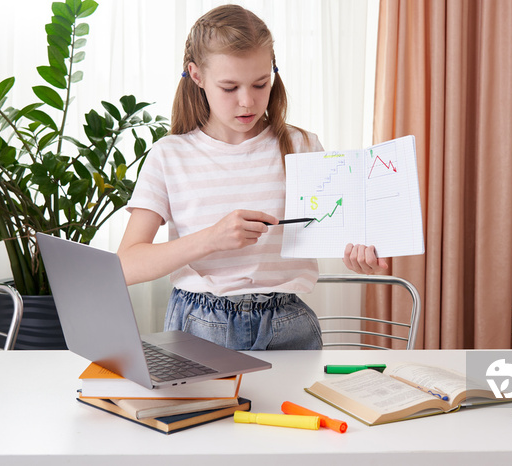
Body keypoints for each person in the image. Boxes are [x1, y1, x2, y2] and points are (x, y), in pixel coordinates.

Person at [117, 4, 386, 351]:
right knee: (204, 409)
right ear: (196, 76)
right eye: (229, 87)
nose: (247, 102)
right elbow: (125, 266)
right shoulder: (170, 155)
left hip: (289, 322)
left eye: (260, 84)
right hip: (199, 326)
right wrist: (211, 238)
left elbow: (337, 230)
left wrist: (358, 254)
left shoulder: (303, 146)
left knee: (292, 408)